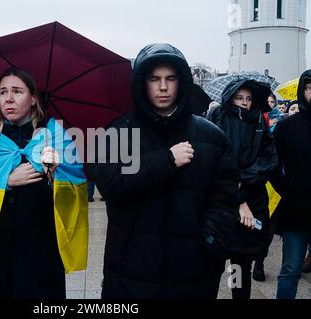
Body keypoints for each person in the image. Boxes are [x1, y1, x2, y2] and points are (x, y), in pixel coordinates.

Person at [87, 43, 240, 299]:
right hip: (131, 268)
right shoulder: (120, 132)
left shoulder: (211, 137)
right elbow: (111, 184)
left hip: (192, 272)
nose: (163, 87)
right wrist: (166, 160)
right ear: (140, 83)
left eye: (170, 78)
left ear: (182, 82)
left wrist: (210, 244)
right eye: (154, 79)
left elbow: (224, 198)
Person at [0, 67, 86, 298]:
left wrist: (53, 174)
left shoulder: (55, 137)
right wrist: (5, 180)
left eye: (17, 91)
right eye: (2, 92)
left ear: (34, 99)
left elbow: (75, 192)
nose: (8, 98)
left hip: (40, 250)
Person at [207, 80, 278, 299]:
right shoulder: (217, 118)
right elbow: (213, 161)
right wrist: (237, 195)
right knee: (212, 265)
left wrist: (242, 181)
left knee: (239, 265)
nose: (245, 103)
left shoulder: (259, 121)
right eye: (240, 98)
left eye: (248, 99)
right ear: (230, 98)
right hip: (220, 205)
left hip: (251, 202)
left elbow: (267, 158)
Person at [273, 70, 311, 299]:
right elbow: (273, 165)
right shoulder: (287, 127)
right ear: (303, 90)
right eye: (309, 87)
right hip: (296, 211)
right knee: (290, 270)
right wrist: (288, 190)